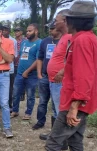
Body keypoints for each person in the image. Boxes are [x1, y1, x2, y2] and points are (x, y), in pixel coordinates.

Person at [28, 1, 97, 151]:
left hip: (76, 102)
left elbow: (84, 76)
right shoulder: (88, 38)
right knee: (76, 140)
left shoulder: (82, 40)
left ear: (72, 21)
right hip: (82, 101)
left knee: (53, 142)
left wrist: (74, 106)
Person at [39, 10, 72, 142]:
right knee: (55, 109)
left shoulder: (70, 37)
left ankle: (61, 140)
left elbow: (74, 58)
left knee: (60, 110)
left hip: (60, 81)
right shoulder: (63, 37)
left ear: (64, 21)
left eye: (57, 20)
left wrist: (63, 71)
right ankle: (55, 135)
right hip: (53, 80)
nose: (55, 22)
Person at [33, 21, 61, 130]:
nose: (50, 30)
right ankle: (40, 122)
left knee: (56, 104)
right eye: (49, 28)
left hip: (57, 79)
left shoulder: (64, 41)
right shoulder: (45, 41)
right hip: (44, 76)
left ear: (58, 29)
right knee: (42, 101)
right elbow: (40, 58)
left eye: (53, 28)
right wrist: (39, 74)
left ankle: (56, 129)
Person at [11, 24, 41, 120]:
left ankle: (28, 113)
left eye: (30, 31)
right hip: (20, 73)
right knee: (15, 93)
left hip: (32, 75)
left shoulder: (39, 43)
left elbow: (38, 60)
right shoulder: (24, 43)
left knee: (30, 95)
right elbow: (21, 56)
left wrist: (27, 71)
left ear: (36, 31)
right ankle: (15, 111)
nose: (27, 33)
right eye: (27, 31)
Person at [2, 24, 18, 112]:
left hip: (10, 68)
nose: (4, 31)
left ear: (9, 31)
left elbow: (14, 55)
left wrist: (7, 58)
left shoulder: (13, 41)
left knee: (9, 88)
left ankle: (9, 105)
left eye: (6, 30)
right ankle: (0, 105)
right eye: (3, 29)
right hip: (0, 68)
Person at [13, 26, 26, 101]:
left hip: (22, 63)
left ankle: (22, 94)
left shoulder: (25, 40)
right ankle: (16, 94)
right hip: (14, 63)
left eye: (18, 31)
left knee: (23, 79)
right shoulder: (13, 41)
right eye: (15, 31)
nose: (16, 32)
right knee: (15, 80)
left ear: (21, 32)